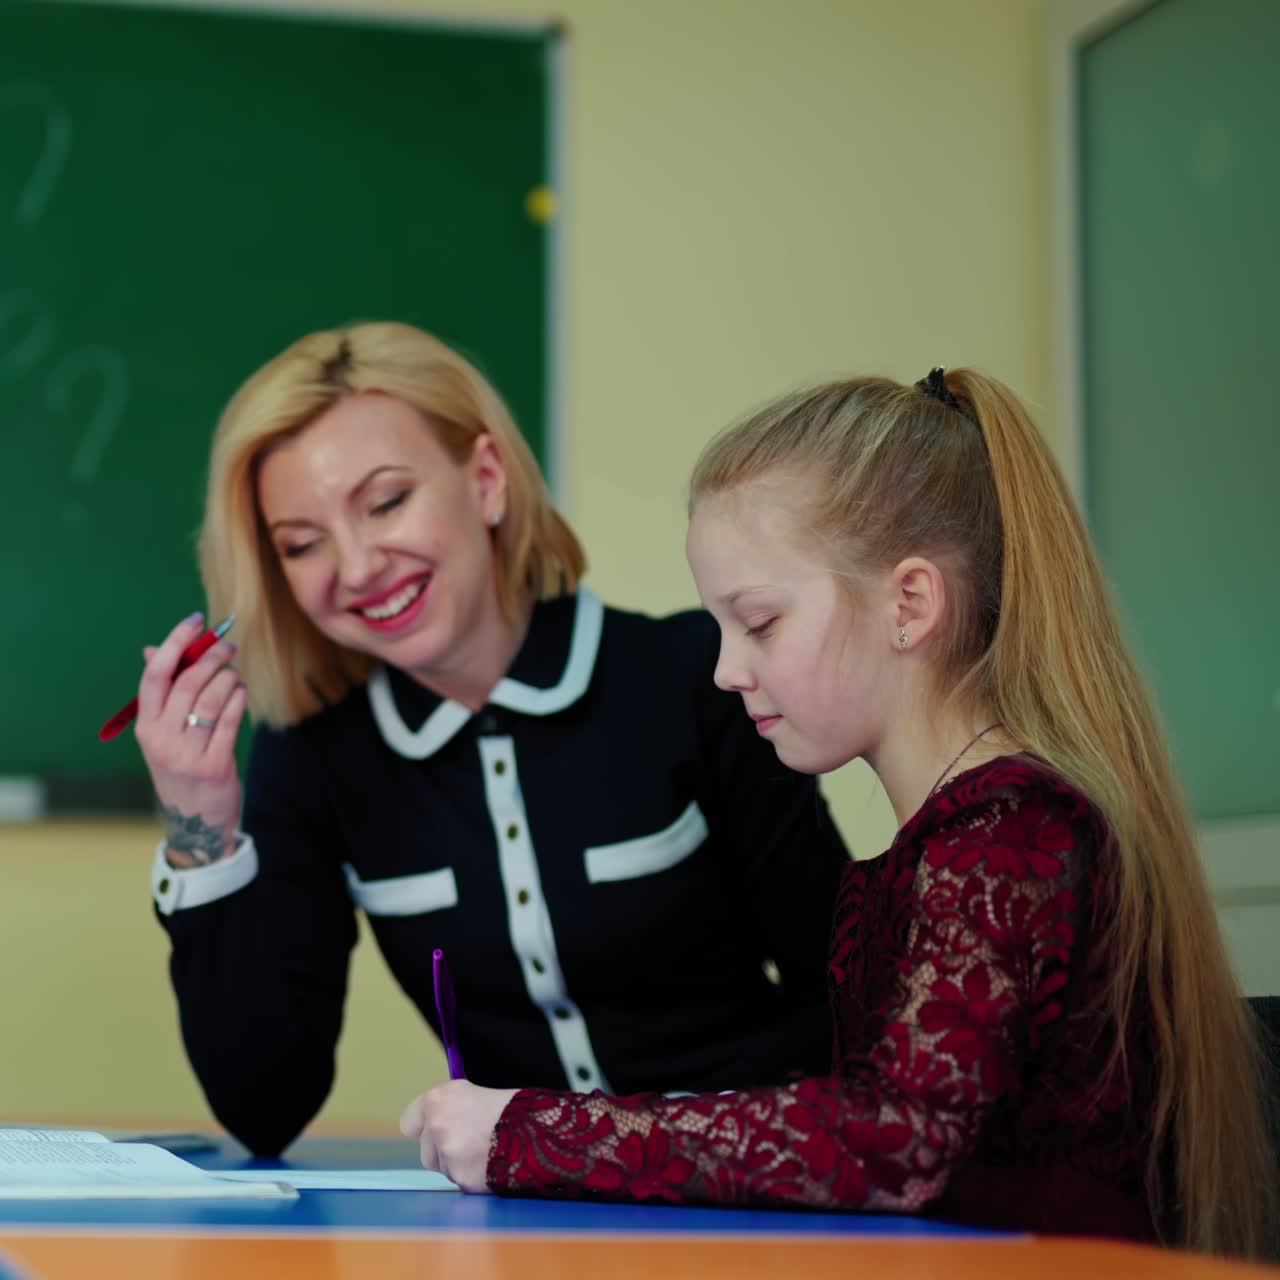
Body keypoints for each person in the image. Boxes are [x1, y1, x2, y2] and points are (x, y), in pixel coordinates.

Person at [400, 366, 1278, 1257]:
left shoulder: (1008, 836)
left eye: (760, 622)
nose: (725, 671)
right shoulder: (935, 847)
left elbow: (897, 1141)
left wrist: (529, 1133)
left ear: (910, 604)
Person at [136, 321, 850, 1158]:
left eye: (387, 502)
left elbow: (841, 1004)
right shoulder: (313, 754)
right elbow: (266, 1104)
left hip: (743, 1187)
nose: (359, 566)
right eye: (302, 544)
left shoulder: (699, 677)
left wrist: (659, 1141)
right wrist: (200, 832)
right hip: (518, 1215)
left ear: (484, 480)